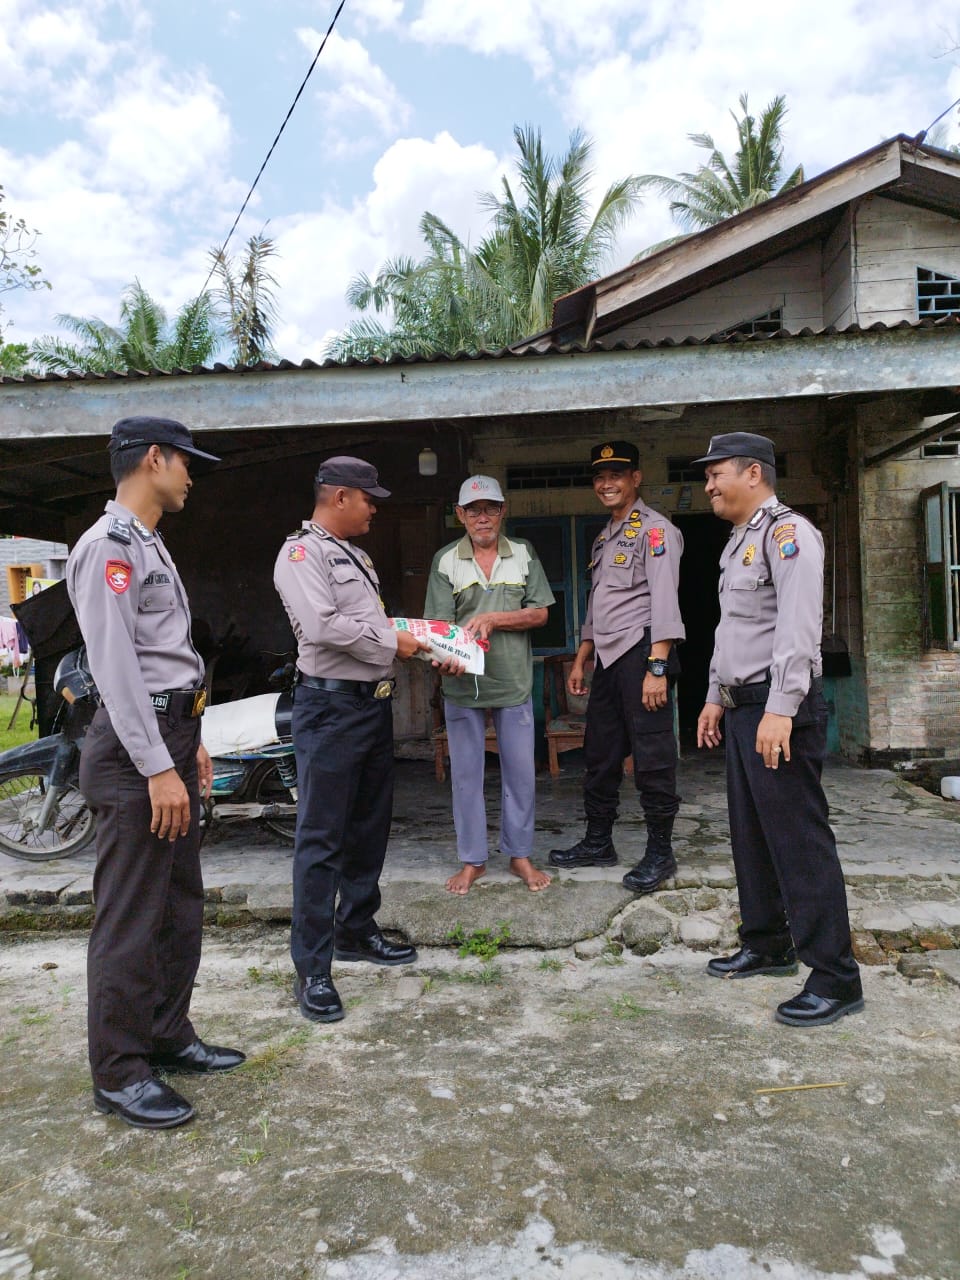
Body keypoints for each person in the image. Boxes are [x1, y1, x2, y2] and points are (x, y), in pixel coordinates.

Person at [67, 416, 245, 1131]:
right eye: (185, 462)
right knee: (131, 917)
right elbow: (115, 670)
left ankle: (166, 1035)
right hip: (134, 752)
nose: (192, 475)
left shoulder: (146, 544)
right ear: (153, 459)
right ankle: (118, 1072)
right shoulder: (107, 548)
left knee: (178, 905)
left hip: (170, 735)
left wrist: (188, 742)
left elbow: (165, 659)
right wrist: (155, 768)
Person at [694, 432, 863, 1028]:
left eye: (717, 474)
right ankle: (767, 942)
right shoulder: (740, 540)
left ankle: (835, 976)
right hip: (744, 705)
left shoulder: (789, 534)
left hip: (776, 706)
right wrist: (716, 695)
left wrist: (781, 708)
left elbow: (796, 629)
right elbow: (733, 629)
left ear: (753, 475)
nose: (709, 485)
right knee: (752, 834)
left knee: (797, 839)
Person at [274, 456, 437, 1024]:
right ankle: (312, 969)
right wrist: (393, 642)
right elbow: (322, 628)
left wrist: (427, 646)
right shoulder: (301, 554)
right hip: (329, 707)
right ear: (340, 497)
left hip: (371, 708)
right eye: (368, 499)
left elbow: (374, 626)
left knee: (368, 828)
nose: (374, 508)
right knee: (322, 839)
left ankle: (355, 930)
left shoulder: (357, 557)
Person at [549, 441, 685, 893]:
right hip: (606, 659)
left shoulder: (655, 531)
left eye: (617, 475)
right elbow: (597, 603)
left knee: (652, 755)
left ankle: (660, 853)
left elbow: (665, 602)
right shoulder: (605, 535)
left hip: (643, 653)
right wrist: (582, 658)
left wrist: (657, 668)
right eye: (599, 477)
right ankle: (597, 841)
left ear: (635, 479)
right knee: (600, 753)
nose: (606, 484)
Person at [424, 475, 555, 894]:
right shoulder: (445, 560)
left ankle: (519, 855)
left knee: (521, 775)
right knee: (467, 777)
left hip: (513, 682)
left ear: (503, 511)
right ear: (460, 515)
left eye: (491, 508)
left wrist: (495, 618)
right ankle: (473, 861)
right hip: (463, 688)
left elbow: (540, 614)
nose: (483, 518)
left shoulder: (523, 553)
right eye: (474, 510)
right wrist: (442, 658)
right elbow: (439, 628)